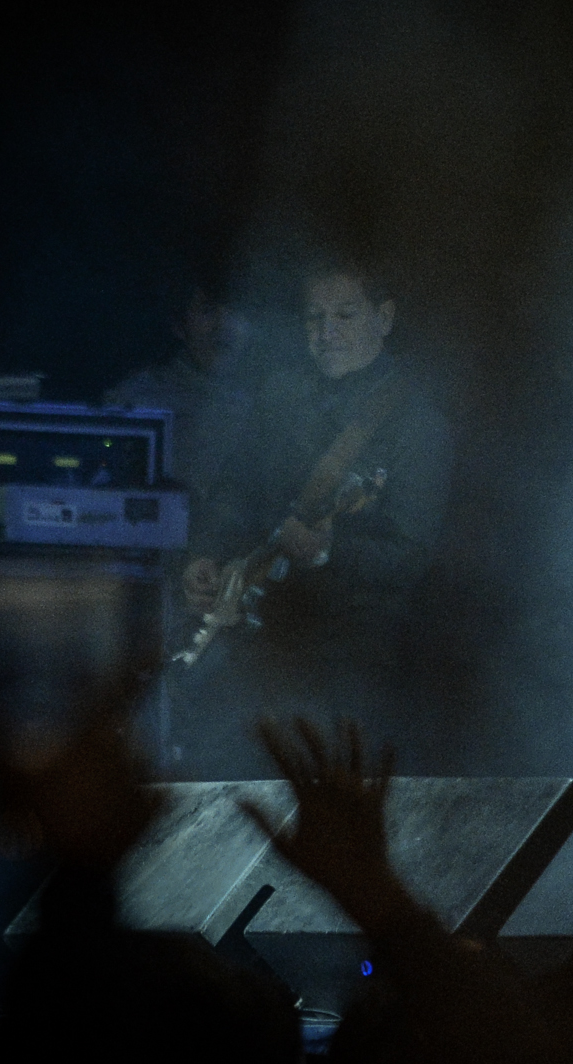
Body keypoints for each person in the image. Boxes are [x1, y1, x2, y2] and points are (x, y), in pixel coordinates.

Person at [172, 255, 453, 778]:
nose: (326, 333)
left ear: (384, 318)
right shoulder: (281, 394)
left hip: (354, 655)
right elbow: (233, 489)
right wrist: (202, 555)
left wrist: (328, 551)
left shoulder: (417, 422)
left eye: (345, 315)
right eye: (314, 318)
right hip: (264, 643)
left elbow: (412, 555)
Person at [102, 285, 256, 512]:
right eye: (208, 311)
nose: (224, 326)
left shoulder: (267, 405)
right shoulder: (136, 399)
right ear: (179, 326)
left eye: (235, 311)